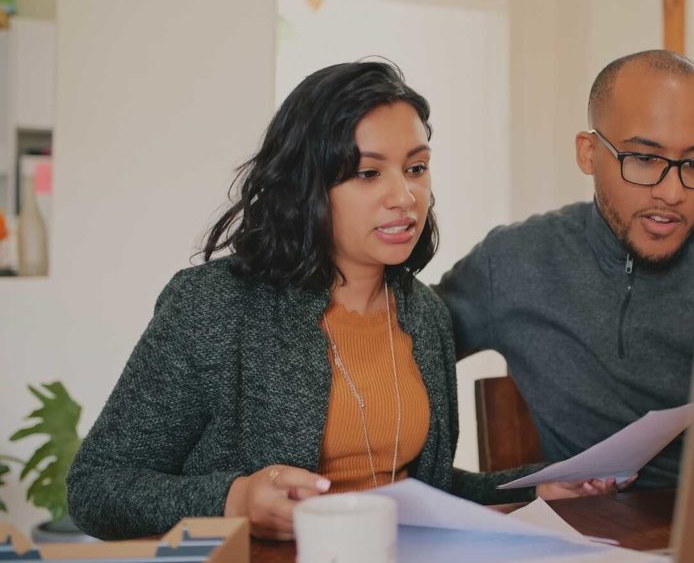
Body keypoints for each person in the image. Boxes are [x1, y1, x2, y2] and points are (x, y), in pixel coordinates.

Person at [67, 61, 614, 542]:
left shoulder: (423, 314)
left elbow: (420, 491)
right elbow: (97, 488)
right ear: (307, 186)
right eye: (368, 173)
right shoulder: (214, 306)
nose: (405, 197)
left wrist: (534, 487)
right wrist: (234, 500)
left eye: (417, 168)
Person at [435, 50, 694, 489]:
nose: (672, 193)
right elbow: (393, 347)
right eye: (644, 159)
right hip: (590, 540)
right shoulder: (511, 262)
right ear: (589, 153)